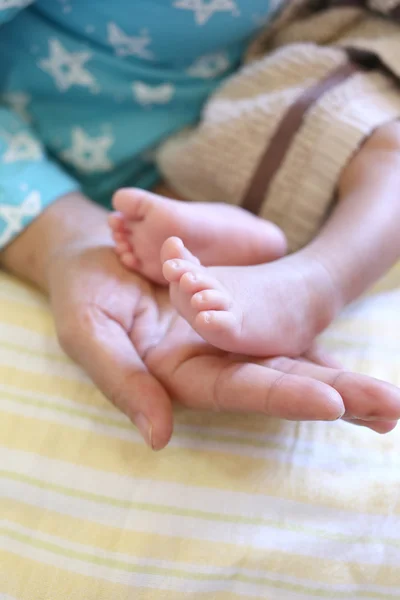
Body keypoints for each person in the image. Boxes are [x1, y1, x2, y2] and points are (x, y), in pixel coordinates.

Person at [1, 1, 400, 451]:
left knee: (386, 136)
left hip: (253, 106)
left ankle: (318, 277)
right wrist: (56, 229)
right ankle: (235, 239)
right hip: (44, 158)